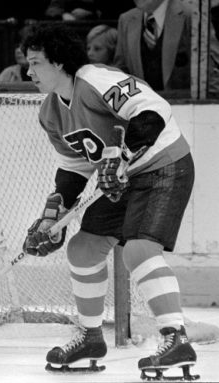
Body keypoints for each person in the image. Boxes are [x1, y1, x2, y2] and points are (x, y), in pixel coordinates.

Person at [22, 23, 198, 380]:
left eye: (35, 62)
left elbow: (152, 111)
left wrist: (124, 155)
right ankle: (90, 337)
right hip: (119, 179)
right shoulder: (50, 113)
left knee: (139, 250)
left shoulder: (95, 79)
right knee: (82, 249)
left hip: (163, 165)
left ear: (58, 63)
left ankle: (175, 338)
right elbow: (73, 168)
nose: (29, 72)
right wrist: (52, 217)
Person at [113, 0, 191, 92]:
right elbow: (121, 70)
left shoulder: (190, 15)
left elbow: (208, 73)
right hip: (142, 104)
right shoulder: (126, 20)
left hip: (184, 104)